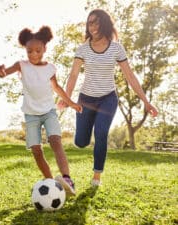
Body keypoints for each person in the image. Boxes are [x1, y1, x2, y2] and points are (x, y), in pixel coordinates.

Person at [58, 9, 158, 186]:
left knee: (101, 133)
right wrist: (67, 98)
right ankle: (83, 137)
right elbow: (73, 75)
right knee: (81, 142)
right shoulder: (83, 49)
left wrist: (146, 102)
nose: (93, 27)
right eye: (90, 23)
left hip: (108, 98)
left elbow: (130, 76)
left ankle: (97, 176)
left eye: (96, 22)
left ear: (104, 24)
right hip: (86, 99)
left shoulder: (116, 48)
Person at [0, 26, 83, 196]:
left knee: (56, 141)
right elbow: (5, 73)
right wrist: (0, 71)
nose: (34, 54)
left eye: (38, 50)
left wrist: (71, 103)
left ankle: (67, 178)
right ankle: (51, 183)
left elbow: (57, 88)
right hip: (31, 115)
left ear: (44, 48)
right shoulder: (22, 65)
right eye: (29, 51)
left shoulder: (50, 68)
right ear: (25, 50)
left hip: (49, 111)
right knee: (36, 150)